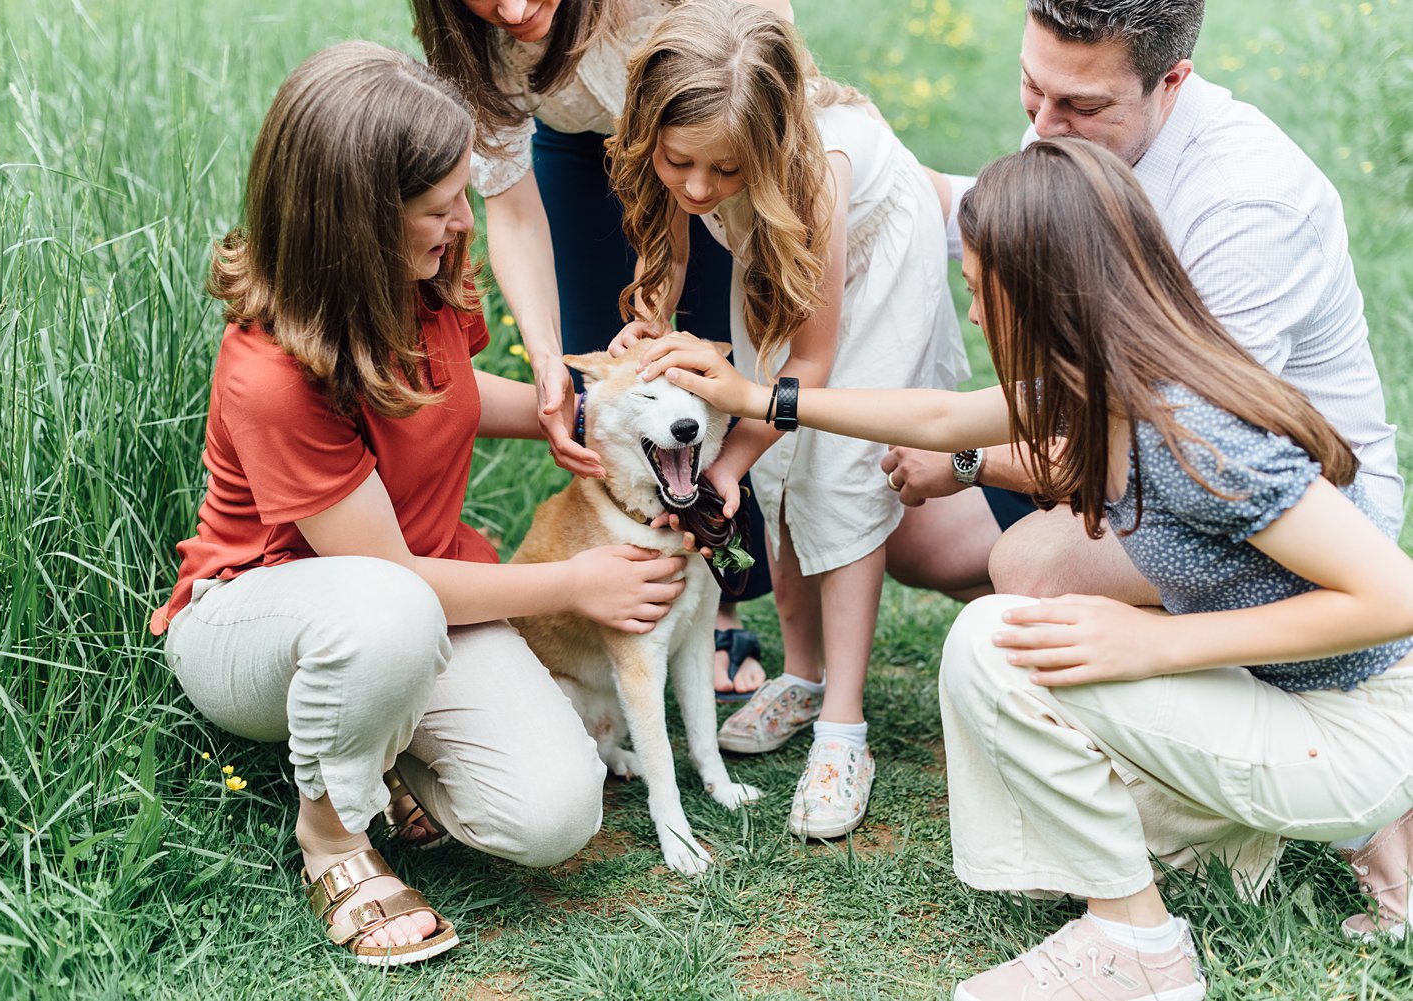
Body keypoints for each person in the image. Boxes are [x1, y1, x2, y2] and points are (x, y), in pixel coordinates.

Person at [636, 136, 1413, 1001]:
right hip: (1286, 701)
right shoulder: (1110, 383)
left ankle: (1138, 950)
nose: (972, 318)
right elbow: (940, 415)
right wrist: (757, 396)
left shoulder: (1198, 432)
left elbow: (1397, 597)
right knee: (1032, 635)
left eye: (978, 291)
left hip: (1353, 729)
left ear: (1044, 295)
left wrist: (1153, 646)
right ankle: (1221, 846)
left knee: (994, 646)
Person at [150, 42, 689, 966]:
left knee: (556, 811)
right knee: (388, 613)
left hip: (412, 609)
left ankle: (382, 745)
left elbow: (448, 390)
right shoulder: (272, 375)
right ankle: (332, 836)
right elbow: (387, 578)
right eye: (437, 205)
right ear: (356, 223)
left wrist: (592, 411)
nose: (460, 220)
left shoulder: (421, 278)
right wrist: (576, 582)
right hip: (264, 621)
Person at [884, 0, 1404, 604]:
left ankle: (1223, 660)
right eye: (1032, 86)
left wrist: (969, 461)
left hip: (1279, 509)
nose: (1045, 127)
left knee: (1036, 566)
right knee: (918, 536)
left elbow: (1177, 454)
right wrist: (876, 172)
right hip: (1120, 431)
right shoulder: (1080, 119)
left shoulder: (1249, 213)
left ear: (1172, 81)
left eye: (1084, 105)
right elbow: (1006, 228)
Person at [606, 0, 969, 838]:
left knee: (837, 466)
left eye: (722, 171)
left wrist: (724, 460)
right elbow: (672, 241)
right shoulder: (696, 151)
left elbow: (811, 371)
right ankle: (802, 676)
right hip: (768, 243)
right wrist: (652, 320)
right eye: (678, 162)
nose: (697, 188)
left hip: (868, 262)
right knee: (775, 470)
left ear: (765, 150)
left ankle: (845, 727)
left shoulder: (817, 174)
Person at [410, 0, 789, 700]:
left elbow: (760, 36)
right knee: (613, 370)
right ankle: (629, 593)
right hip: (575, 137)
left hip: (704, 129)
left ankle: (720, 601)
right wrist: (547, 353)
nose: (516, 10)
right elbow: (515, 213)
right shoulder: (470, 44)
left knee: (706, 357)